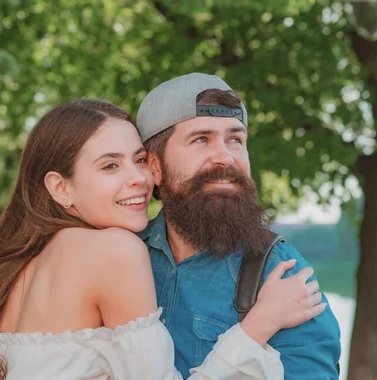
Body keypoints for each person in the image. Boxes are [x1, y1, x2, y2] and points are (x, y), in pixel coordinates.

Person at [0, 99, 326, 379]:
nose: (139, 179)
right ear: (61, 188)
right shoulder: (115, 250)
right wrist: (258, 325)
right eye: (110, 165)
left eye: (139, 160)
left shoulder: (18, 267)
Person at [135, 73, 342, 379]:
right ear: (155, 165)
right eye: (201, 139)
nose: (225, 157)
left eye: (235, 139)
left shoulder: (281, 273)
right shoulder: (121, 255)